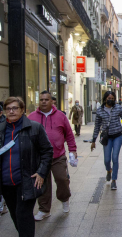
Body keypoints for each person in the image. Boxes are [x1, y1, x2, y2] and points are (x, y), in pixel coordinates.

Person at [0, 97, 53, 236]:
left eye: (15, 108)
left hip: (26, 180)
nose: (11, 111)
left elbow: (47, 151)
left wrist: (41, 172)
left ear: (22, 110)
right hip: (5, 182)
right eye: (8, 109)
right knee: (16, 215)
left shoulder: (34, 128)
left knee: (23, 214)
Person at [28, 91, 77, 221]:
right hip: (39, 158)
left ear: (52, 101)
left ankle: (64, 198)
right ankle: (44, 210)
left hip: (58, 155)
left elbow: (69, 135)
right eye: (42, 99)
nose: (44, 101)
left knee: (62, 179)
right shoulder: (31, 117)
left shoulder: (61, 116)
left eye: (46, 99)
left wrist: (72, 151)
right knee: (42, 183)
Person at [91, 91, 122, 190]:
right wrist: (93, 140)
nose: (110, 100)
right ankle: (109, 170)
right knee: (107, 160)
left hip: (118, 136)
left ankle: (114, 180)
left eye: (112, 98)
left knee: (115, 158)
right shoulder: (100, 110)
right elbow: (97, 126)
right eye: (109, 98)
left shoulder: (117, 108)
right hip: (107, 137)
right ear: (104, 99)